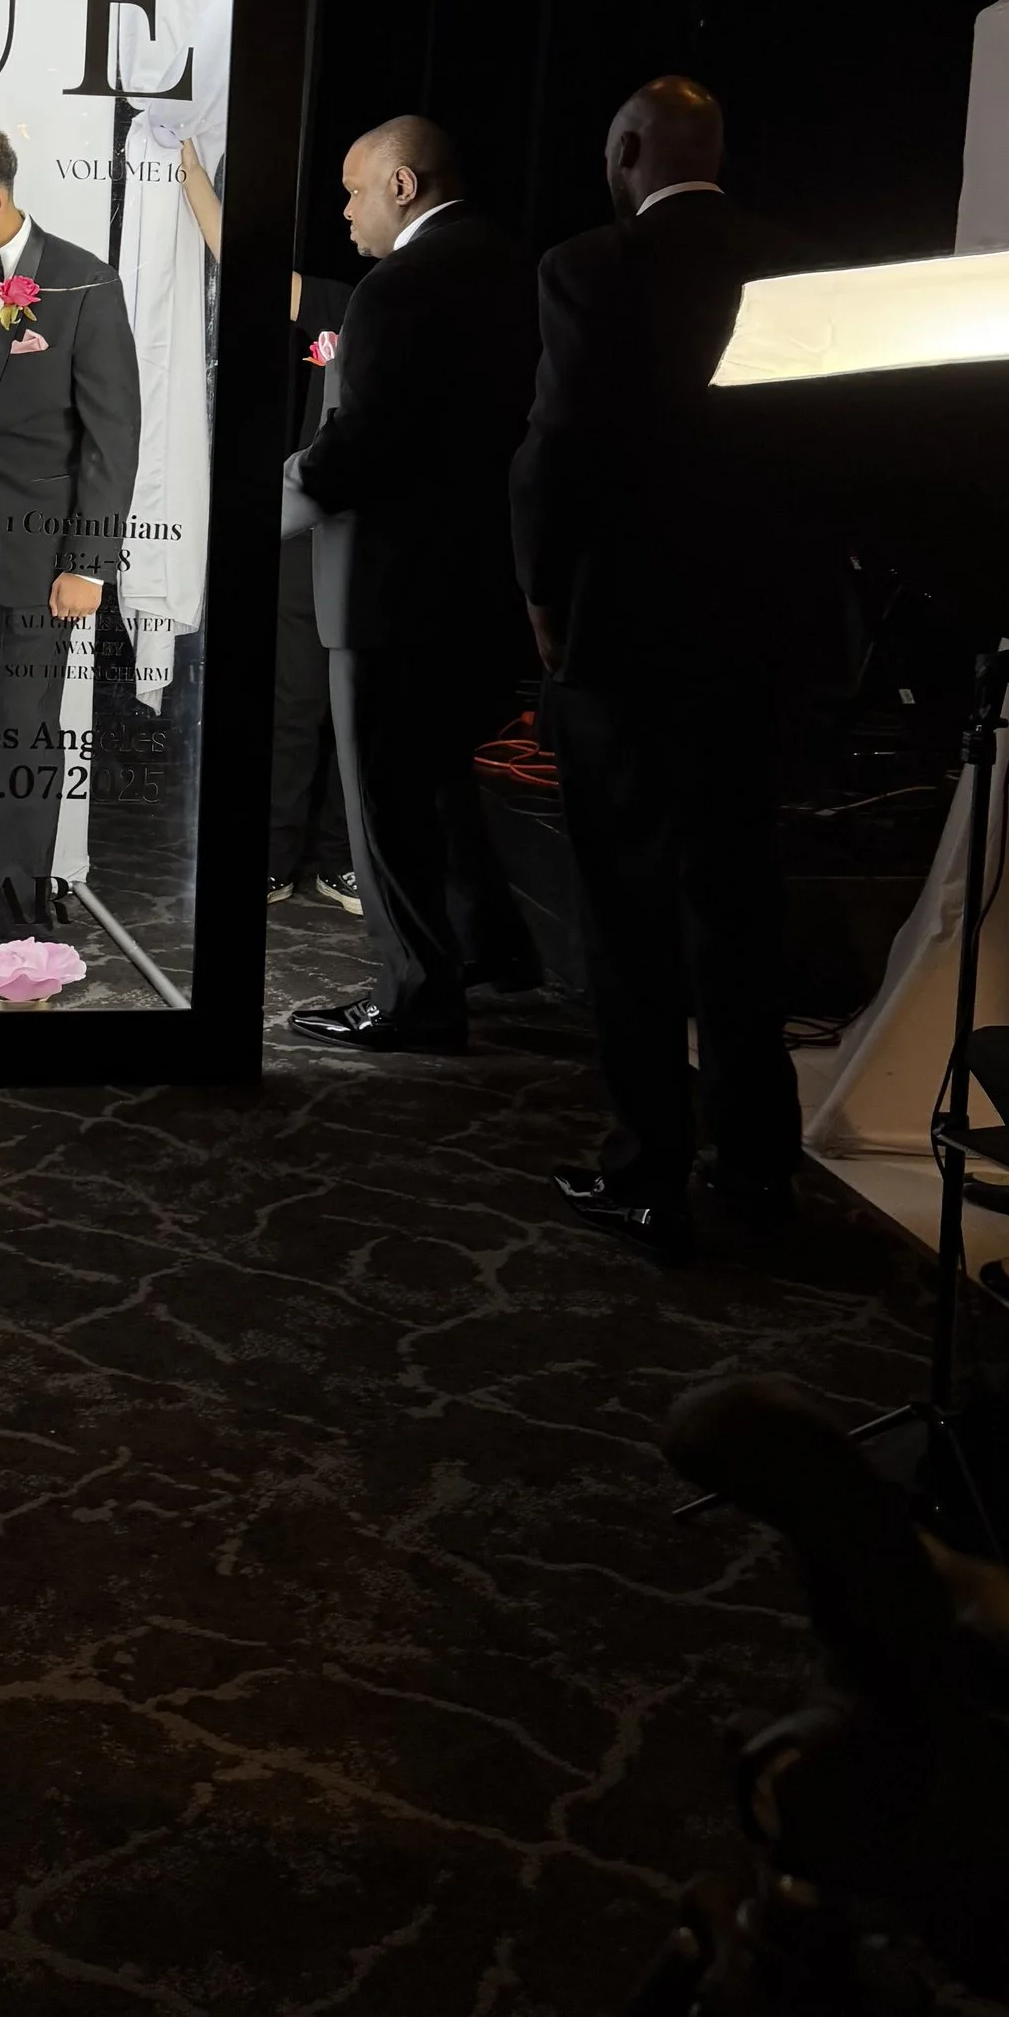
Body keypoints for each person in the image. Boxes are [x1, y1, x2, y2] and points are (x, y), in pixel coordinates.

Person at [511, 74, 808, 1260]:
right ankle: (756, 1171)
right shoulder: (797, 261)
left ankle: (646, 1174)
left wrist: (541, 597)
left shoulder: (588, 266)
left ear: (627, 149)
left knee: (628, 918)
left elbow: (556, 451)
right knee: (739, 909)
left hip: (623, 640)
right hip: (759, 645)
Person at [282, 118, 542, 1053]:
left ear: (402, 184)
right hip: (481, 579)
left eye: (353, 190)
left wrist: (271, 501)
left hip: (389, 590)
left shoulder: (400, 284)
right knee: (438, 779)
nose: (344, 210)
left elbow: (365, 443)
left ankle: (416, 996)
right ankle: (492, 948)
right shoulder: (513, 266)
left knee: (387, 801)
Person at [0, 115, 141, 939]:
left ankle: (16, 924)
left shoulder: (84, 283)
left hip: (45, 561)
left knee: (23, 744)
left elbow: (114, 438)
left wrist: (89, 562)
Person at [269, 268, 359, 913]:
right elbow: (255, 267)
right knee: (293, 703)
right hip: (309, 531)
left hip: (383, 543)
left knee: (360, 713)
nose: (349, 210)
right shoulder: (347, 302)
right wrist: (187, 170)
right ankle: (273, 857)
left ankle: (344, 859)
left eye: (358, 194)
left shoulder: (420, 306)